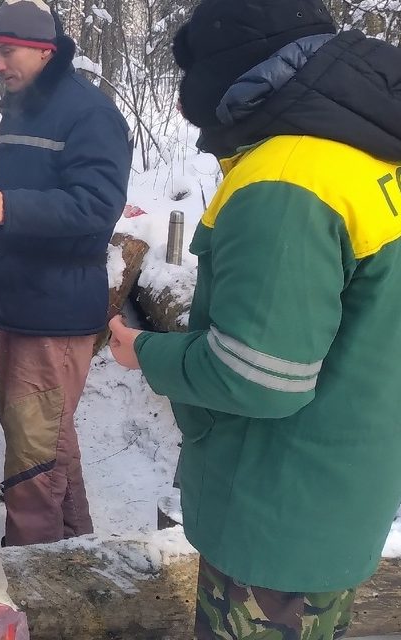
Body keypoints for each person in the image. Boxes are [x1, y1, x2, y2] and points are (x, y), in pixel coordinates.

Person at [107, 0, 401, 636]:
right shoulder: (369, 150)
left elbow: (261, 378)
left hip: (275, 519)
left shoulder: (288, 180)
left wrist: (146, 353)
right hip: (338, 494)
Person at [0, 0, 131, 544]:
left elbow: (97, 206)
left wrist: (12, 208)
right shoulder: (24, 111)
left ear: (44, 50)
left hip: (57, 305)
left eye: (7, 52)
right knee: (47, 434)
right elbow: (14, 197)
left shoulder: (89, 114)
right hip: (23, 298)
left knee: (35, 441)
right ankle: (75, 547)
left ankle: (31, 560)